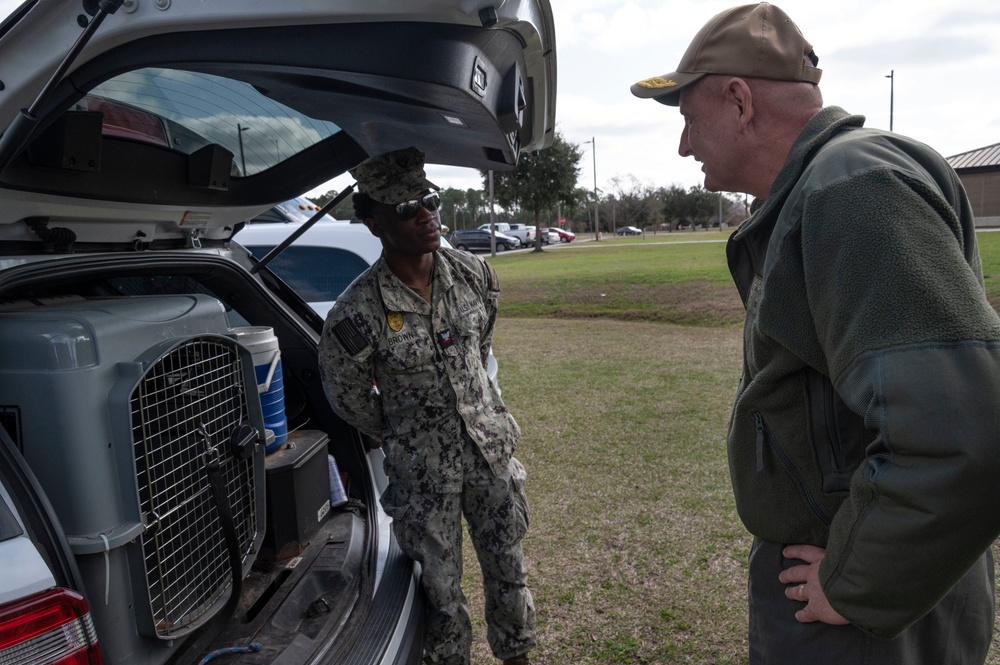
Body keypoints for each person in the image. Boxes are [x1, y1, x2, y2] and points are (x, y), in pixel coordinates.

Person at [631, 3, 1000, 664]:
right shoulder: (830, 184)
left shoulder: (853, 188)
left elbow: (965, 431)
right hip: (873, 579)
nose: (685, 144)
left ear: (740, 101)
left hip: (864, 612)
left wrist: (858, 582)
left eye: (688, 118)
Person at [318, 146, 535, 665]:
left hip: (489, 456)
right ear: (372, 222)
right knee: (440, 595)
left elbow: (481, 352)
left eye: (429, 199)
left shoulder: (474, 275)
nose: (425, 214)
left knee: (509, 569)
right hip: (423, 474)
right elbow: (347, 397)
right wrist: (404, 431)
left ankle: (519, 655)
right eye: (404, 208)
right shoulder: (358, 312)